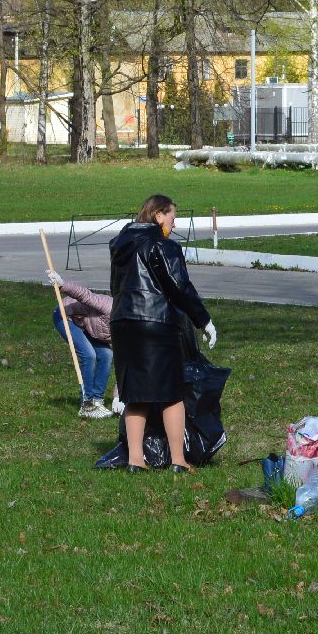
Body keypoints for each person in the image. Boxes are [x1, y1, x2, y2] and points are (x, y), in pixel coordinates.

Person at [108, 194, 216, 472]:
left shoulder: (120, 245)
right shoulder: (163, 245)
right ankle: (178, 459)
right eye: (171, 216)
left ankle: (134, 459)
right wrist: (202, 319)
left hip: (122, 323)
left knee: (135, 393)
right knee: (171, 392)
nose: (174, 221)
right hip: (155, 323)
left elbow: (115, 288)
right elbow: (180, 287)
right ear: (158, 215)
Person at [45, 270, 115, 418]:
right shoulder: (108, 306)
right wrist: (62, 284)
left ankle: (97, 401)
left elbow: (127, 364)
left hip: (85, 324)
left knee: (107, 355)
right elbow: (85, 295)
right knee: (89, 355)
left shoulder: (129, 331)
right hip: (66, 315)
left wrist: (120, 397)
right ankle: (87, 405)